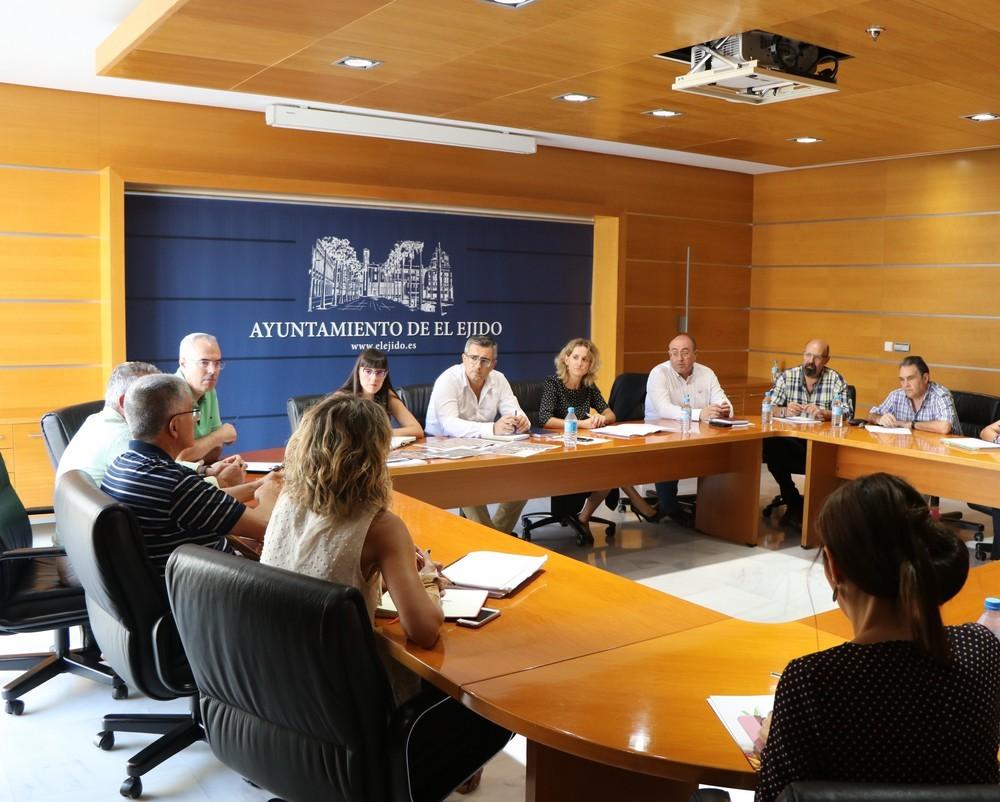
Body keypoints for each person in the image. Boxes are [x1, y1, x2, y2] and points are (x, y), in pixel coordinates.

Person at [260, 394, 511, 797]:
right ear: (373, 456)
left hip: (285, 689)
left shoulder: (287, 500)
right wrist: (427, 578)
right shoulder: (380, 525)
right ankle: (447, 767)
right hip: (349, 703)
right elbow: (424, 630)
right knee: (487, 680)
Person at [756, 472, 1000, 801]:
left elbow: (774, 798)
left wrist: (776, 740)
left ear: (833, 566)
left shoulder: (813, 682)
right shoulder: (981, 648)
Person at [102, 374, 281, 575]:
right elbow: (269, 530)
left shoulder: (124, 464)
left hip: (180, 584)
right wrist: (269, 491)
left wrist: (255, 486)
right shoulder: (175, 484)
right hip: (214, 593)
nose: (197, 419)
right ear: (175, 426)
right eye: (193, 411)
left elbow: (204, 502)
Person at [539, 338, 658, 527]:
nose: (580, 363)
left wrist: (603, 418)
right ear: (566, 359)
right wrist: (583, 424)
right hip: (559, 448)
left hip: (585, 444)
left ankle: (584, 517)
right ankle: (638, 503)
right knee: (611, 470)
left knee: (612, 468)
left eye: (585, 359)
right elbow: (545, 419)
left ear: (590, 364)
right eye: (576, 357)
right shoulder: (553, 383)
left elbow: (610, 413)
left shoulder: (588, 386)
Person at [424, 334, 530, 533]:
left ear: (493, 364)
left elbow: (514, 410)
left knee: (522, 483)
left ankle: (494, 538)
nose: (478, 365)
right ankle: (495, 542)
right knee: (467, 485)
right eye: (473, 358)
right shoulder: (448, 379)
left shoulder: (499, 380)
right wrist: (493, 428)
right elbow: (449, 424)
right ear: (464, 358)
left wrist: (521, 421)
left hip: (481, 447)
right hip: (442, 448)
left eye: (485, 360)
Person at [763, 338, 853, 528]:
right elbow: (768, 406)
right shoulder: (787, 377)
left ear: (827, 360)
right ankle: (793, 499)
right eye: (808, 355)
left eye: (817, 357)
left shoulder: (835, 380)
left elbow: (848, 413)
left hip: (823, 445)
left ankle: (815, 509)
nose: (811, 361)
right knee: (770, 445)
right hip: (791, 444)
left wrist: (825, 413)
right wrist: (784, 410)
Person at [645, 333, 732, 524]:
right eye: (674, 353)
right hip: (662, 434)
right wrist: (700, 413)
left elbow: (725, 403)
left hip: (697, 433)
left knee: (725, 451)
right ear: (669, 354)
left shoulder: (706, 373)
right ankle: (669, 505)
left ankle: (716, 507)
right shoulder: (658, 374)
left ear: (695, 354)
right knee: (670, 452)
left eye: (685, 353)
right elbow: (663, 409)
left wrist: (724, 410)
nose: (679, 358)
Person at [176, 332, 237, 463]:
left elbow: (215, 451)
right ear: (183, 363)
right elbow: (179, 457)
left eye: (217, 363)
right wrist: (220, 435)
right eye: (204, 362)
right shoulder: (170, 394)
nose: (212, 370)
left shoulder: (209, 391)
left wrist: (201, 449)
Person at [335, 347, 423, 438]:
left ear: (385, 375)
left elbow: (417, 430)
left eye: (379, 372)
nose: (374, 378)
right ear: (358, 372)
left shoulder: (387, 395)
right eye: (368, 371)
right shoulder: (341, 398)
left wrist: (382, 433)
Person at [868, 355, 960, 433]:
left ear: (925, 378)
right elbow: (871, 415)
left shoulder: (941, 395)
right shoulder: (896, 395)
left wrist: (911, 424)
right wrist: (879, 419)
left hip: (946, 452)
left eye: (910, 378)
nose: (905, 385)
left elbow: (944, 427)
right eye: (902, 380)